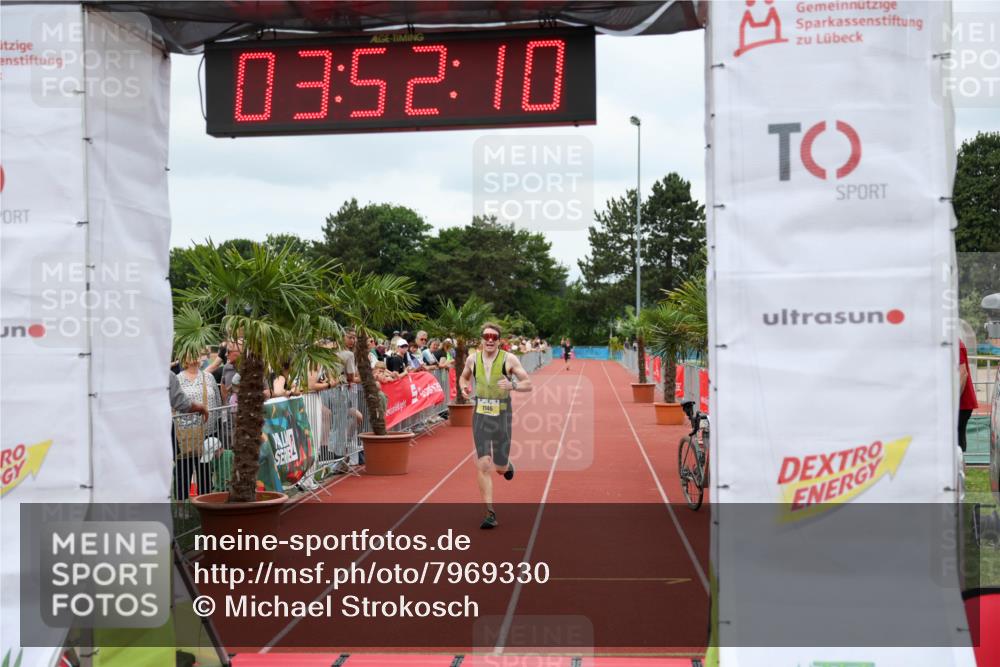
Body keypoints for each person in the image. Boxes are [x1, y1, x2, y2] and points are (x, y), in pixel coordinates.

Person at [459, 322, 533, 529]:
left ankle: (506, 466)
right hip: (480, 414)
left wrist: (513, 385)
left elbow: (528, 383)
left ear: (499, 340)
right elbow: (463, 377)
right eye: (486, 336)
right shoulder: (472, 359)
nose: (490, 340)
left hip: (502, 414)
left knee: (499, 467)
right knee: (483, 464)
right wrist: (464, 387)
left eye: (494, 337)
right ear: (481, 340)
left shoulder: (509, 359)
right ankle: (489, 512)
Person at [959, 338, 979, 452]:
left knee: (957, 442)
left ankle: (958, 468)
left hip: (962, 404)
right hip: (962, 403)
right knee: (958, 440)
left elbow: (963, 373)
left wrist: (954, 399)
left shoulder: (955, 344)